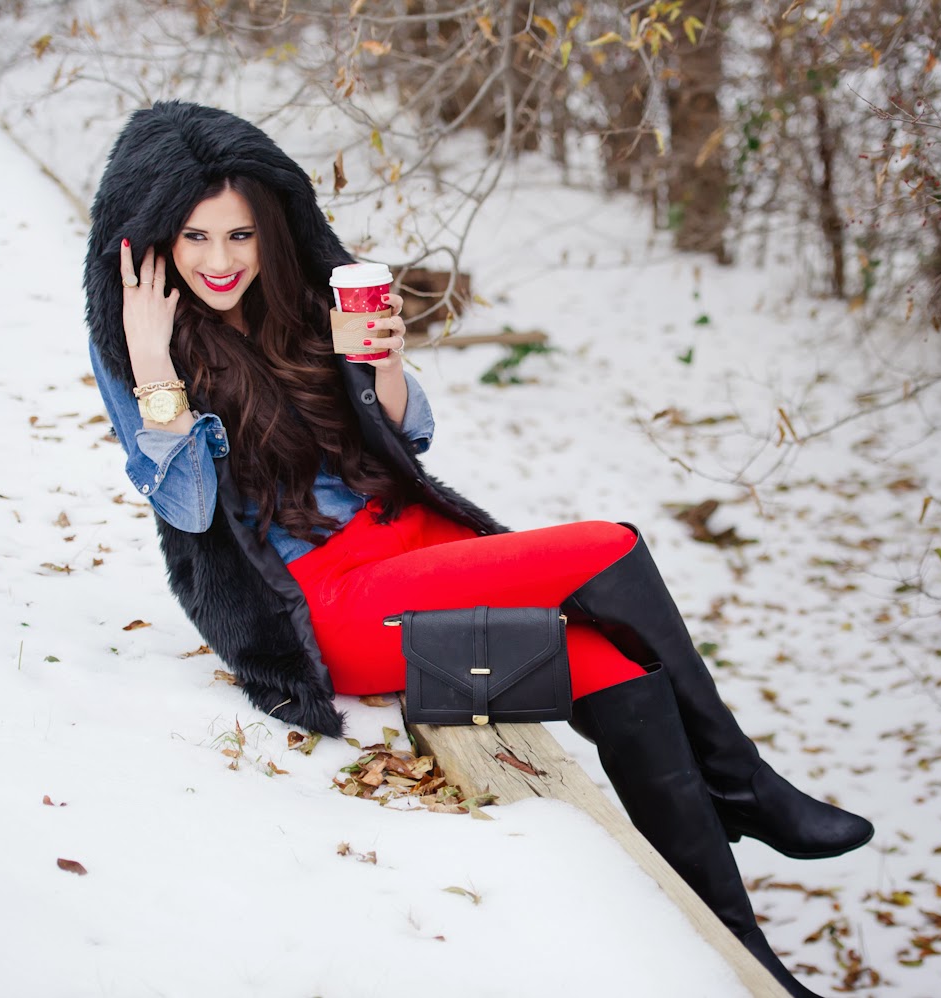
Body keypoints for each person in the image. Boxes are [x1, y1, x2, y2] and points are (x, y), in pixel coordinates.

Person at [84, 101, 871, 997]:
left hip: (406, 546)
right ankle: (747, 786)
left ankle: (749, 960)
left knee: (619, 671)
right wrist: (153, 366)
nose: (221, 259)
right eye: (195, 237)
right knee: (609, 546)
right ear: (156, 240)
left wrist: (383, 366)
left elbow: (401, 441)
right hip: (322, 605)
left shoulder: (297, 298)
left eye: (240, 234)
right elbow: (187, 510)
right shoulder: (137, 340)